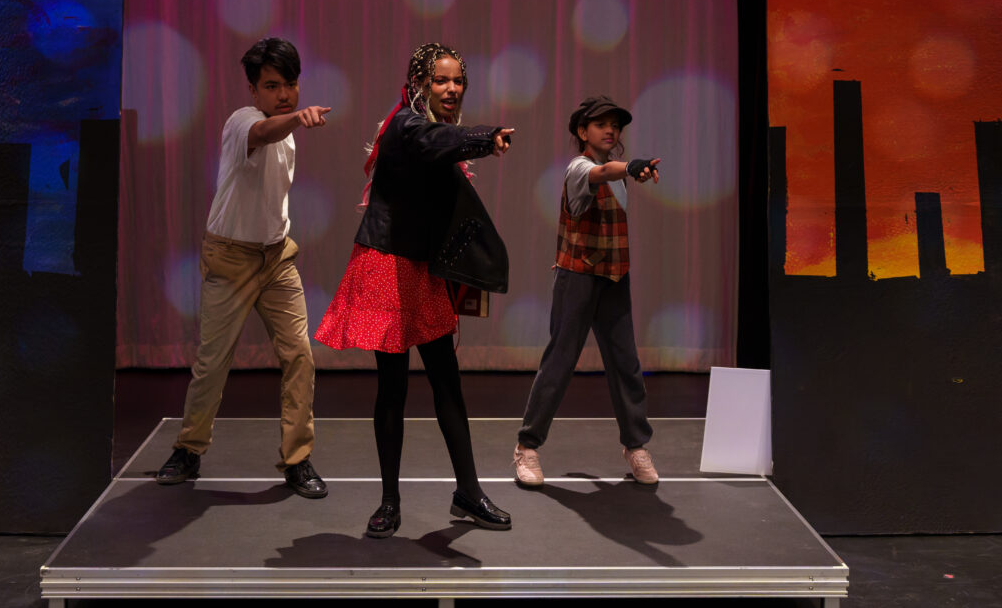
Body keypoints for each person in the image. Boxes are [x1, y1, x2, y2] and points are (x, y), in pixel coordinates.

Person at [315, 43, 514, 537]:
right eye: (441, 80)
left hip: (422, 269)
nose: (452, 88)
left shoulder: (432, 129)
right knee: (393, 386)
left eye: (458, 81)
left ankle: (468, 492)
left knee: (447, 380)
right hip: (388, 264)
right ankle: (389, 502)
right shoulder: (406, 124)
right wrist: (486, 137)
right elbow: (433, 141)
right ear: (420, 83)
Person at [155, 37, 330, 499]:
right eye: (272, 86)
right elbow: (263, 133)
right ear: (253, 90)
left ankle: (297, 459)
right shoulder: (243, 121)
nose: (284, 94)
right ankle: (188, 449)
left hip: (276, 258)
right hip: (230, 258)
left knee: (300, 356)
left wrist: (293, 121)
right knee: (212, 363)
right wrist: (297, 117)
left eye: (290, 85)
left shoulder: (287, 132)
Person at [512, 95, 662, 487]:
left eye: (615, 125)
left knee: (626, 363)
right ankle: (527, 446)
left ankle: (635, 445)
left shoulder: (619, 177)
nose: (610, 130)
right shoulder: (580, 168)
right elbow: (603, 172)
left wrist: (631, 170)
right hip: (578, 277)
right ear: (583, 131)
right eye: (601, 124)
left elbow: (614, 175)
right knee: (560, 362)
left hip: (614, 277)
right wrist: (631, 166)